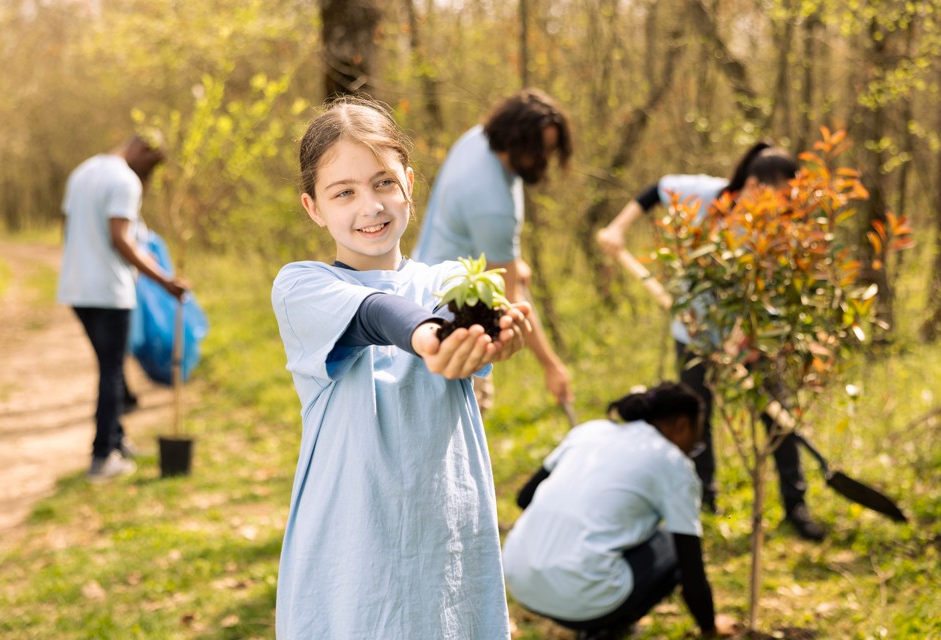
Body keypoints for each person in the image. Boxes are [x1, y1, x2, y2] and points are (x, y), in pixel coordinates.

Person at [270, 97, 533, 639]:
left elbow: (465, 312)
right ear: (313, 207)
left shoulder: (448, 279)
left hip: (446, 540)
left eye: (383, 182)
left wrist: (498, 335)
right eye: (344, 192)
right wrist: (427, 337)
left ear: (409, 184)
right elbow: (375, 314)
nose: (370, 206)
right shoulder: (302, 286)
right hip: (353, 548)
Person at [596, 142, 825, 541]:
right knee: (695, 416)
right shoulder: (707, 196)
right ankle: (704, 499)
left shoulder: (775, 230)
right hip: (694, 334)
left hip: (752, 336)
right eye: (778, 196)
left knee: (777, 416)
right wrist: (617, 228)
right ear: (753, 185)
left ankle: (796, 503)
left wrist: (744, 340)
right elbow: (656, 189)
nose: (782, 208)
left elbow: (772, 290)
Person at [502, 382, 740, 640]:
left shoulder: (590, 431)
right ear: (681, 425)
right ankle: (606, 629)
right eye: (695, 441)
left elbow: (524, 498)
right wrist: (710, 628)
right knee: (673, 544)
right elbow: (692, 574)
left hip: (518, 579)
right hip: (579, 598)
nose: (692, 448)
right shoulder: (672, 463)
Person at [412, 88, 574, 410]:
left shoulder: (478, 140)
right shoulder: (494, 206)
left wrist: (512, 259)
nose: (544, 160)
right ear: (517, 142)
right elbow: (512, 300)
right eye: (540, 150)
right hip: (455, 322)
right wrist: (551, 365)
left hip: (420, 280)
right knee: (468, 414)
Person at [57, 133, 189, 483]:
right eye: (149, 167)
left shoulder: (83, 171)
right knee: (112, 371)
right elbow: (121, 238)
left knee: (108, 366)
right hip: (108, 292)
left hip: (76, 290)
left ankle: (116, 439)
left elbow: (67, 229)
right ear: (141, 150)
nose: (147, 176)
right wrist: (165, 281)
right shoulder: (124, 181)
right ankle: (103, 457)